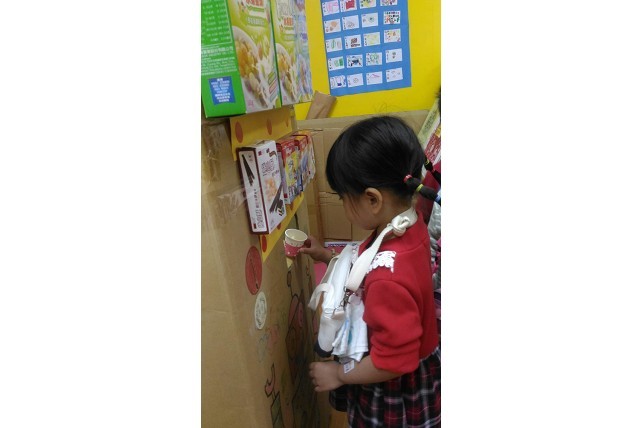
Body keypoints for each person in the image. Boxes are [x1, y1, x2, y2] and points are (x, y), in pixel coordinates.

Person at [299, 116, 441, 427]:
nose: (343, 204)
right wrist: (327, 256)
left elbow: (394, 361)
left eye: (343, 197)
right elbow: (373, 262)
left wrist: (339, 374)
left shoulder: (388, 279)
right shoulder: (407, 223)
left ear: (373, 199)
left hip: (392, 387)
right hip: (405, 359)